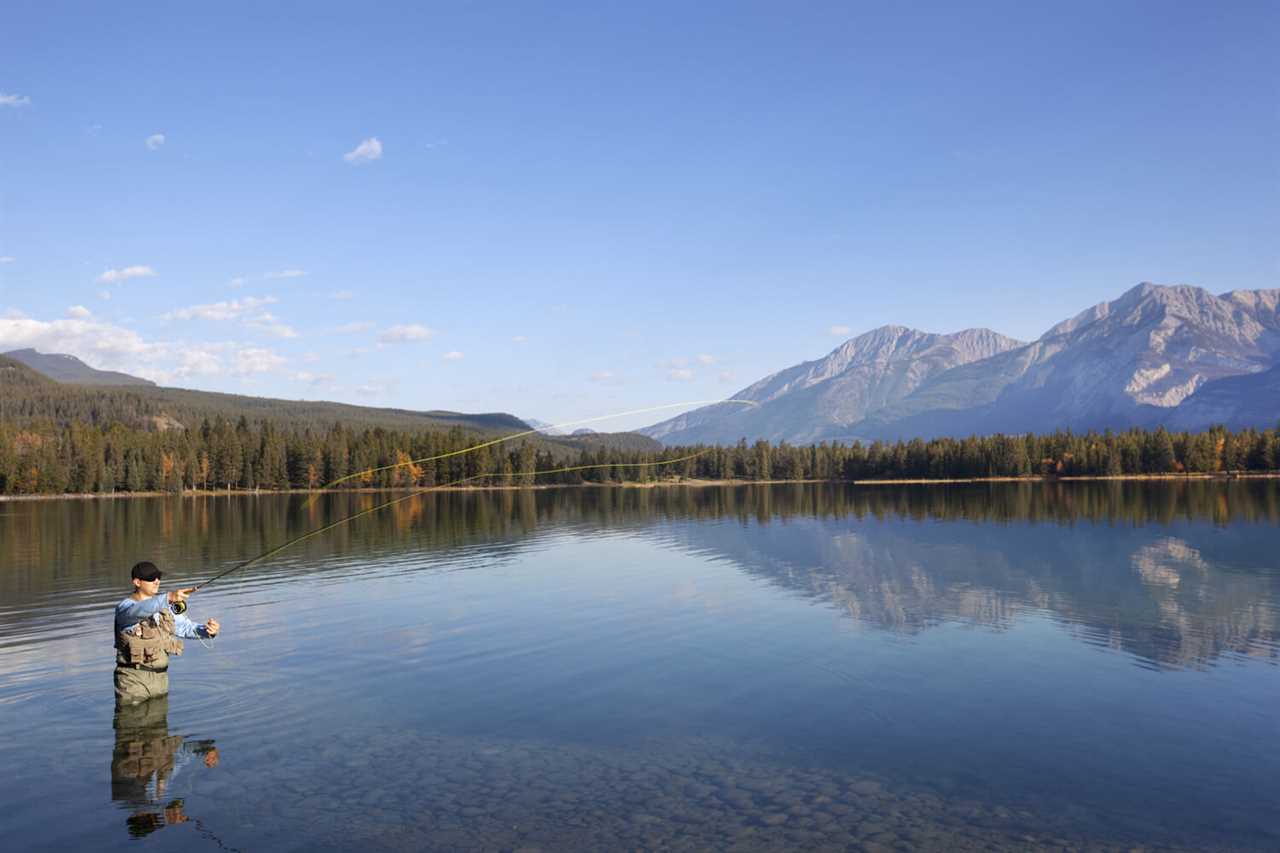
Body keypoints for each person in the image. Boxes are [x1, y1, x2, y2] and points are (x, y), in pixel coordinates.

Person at [110, 694, 219, 839]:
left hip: (145, 729)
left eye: (156, 819)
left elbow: (179, 756)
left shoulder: (151, 795)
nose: (158, 816)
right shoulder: (130, 795)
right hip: (141, 724)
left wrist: (206, 748)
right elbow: (181, 754)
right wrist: (206, 748)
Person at [114, 561, 221, 706]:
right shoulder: (125, 608)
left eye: (158, 577)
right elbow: (138, 611)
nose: (156, 581)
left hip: (161, 680)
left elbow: (184, 627)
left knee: (159, 727)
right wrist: (168, 597)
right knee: (131, 726)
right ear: (137, 582)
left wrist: (207, 631)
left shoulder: (164, 606)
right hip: (133, 680)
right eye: (151, 578)